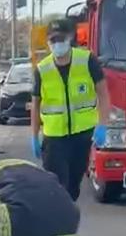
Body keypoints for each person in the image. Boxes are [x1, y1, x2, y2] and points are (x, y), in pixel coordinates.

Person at [31, 18, 108, 200]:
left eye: (61, 39)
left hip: (82, 135)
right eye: (53, 40)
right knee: (57, 186)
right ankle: (59, 222)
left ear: (70, 38)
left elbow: (103, 94)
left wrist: (102, 125)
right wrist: (34, 136)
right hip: (53, 138)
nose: (57, 44)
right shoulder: (42, 69)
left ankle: (66, 213)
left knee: (73, 186)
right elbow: (35, 105)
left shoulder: (87, 60)